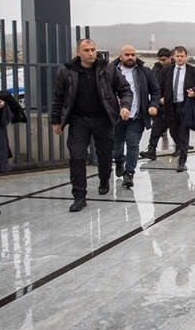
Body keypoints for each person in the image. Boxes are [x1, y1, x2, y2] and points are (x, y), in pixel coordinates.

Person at [51, 39, 133, 212]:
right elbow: (58, 97)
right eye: (86, 50)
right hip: (79, 120)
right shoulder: (67, 71)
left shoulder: (108, 69)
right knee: (77, 156)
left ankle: (104, 179)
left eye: (93, 49)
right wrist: (56, 121)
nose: (91, 53)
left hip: (103, 119)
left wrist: (125, 106)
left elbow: (125, 89)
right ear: (77, 52)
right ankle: (79, 196)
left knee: (105, 154)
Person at [111, 45, 162, 189]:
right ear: (120, 56)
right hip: (116, 117)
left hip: (137, 116)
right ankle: (119, 160)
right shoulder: (110, 71)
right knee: (116, 145)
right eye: (127, 54)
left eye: (133, 54)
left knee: (133, 144)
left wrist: (153, 105)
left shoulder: (144, 72)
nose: (130, 57)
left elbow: (155, 91)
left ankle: (129, 173)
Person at [160, 46, 195, 173]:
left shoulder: (193, 71)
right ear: (173, 56)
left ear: (186, 57)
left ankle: (182, 161)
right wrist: (160, 98)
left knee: (184, 133)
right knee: (174, 132)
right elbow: (159, 87)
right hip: (170, 106)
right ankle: (181, 148)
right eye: (177, 56)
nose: (179, 58)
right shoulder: (166, 71)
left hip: (185, 105)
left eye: (182, 56)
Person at [140, 47, 173, 160]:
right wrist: (158, 99)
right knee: (156, 127)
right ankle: (151, 149)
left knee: (176, 129)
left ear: (170, 58)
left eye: (164, 60)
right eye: (160, 60)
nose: (161, 62)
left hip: (174, 105)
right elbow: (153, 86)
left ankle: (181, 147)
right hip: (160, 104)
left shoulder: (176, 68)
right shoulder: (156, 69)